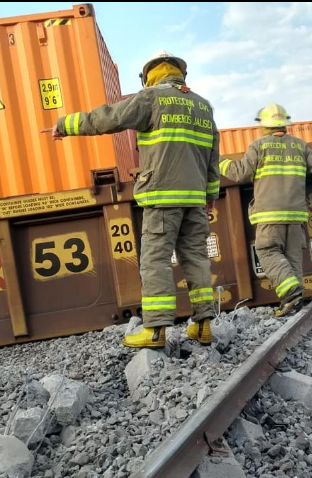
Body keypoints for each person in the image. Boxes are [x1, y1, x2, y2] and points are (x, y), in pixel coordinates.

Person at [49, 51, 220, 349]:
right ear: (180, 73)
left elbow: (111, 118)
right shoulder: (203, 106)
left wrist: (67, 125)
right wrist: (210, 198)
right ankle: (203, 325)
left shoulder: (151, 98)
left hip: (162, 196)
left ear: (149, 75)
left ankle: (155, 330)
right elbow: (212, 157)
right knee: (196, 257)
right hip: (195, 198)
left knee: (155, 260)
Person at [219, 103, 312, 317]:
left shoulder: (259, 146)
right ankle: (294, 302)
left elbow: (239, 173)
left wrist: (218, 163)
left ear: (263, 125)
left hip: (269, 215)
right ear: (285, 125)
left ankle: (290, 290)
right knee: (293, 259)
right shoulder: (299, 146)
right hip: (296, 216)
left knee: (268, 251)